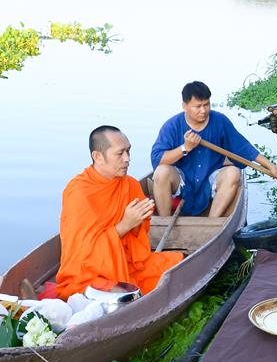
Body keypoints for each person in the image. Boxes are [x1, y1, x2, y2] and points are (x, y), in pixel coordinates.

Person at [56, 126, 183, 299]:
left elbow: (139, 241)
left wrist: (139, 222)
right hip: (89, 275)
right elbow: (83, 255)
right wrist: (124, 225)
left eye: (129, 151)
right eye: (120, 153)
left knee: (180, 262)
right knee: (122, 294)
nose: (127, 159)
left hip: (129, 265)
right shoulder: (79, 193)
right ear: (98, 157)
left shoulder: (130, 184)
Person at [151, 81, 277, 217]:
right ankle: (163, 222)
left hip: (210, 182)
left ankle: (212, 223)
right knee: (162, 172)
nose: (203, 110)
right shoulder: (172, 126)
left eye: (206, 104)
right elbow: (158, 160)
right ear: (184, 106)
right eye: (198, 106)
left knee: (233, 172)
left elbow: (243, 147)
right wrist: (185, 148)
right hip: (182, 184)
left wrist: (270, 166)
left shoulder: (219, 121)